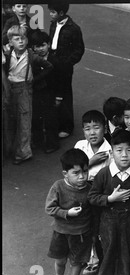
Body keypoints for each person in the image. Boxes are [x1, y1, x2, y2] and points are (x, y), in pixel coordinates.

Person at [87, 130, 130, 275]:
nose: (124, 155)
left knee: (125, 256)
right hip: (108, 222)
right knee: (108, 255)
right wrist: (110, 198)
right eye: (119, 150)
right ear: (111, 152)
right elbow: (92, 197)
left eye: (129, 150)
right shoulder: (104, 174)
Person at [45, 148, 93, 275]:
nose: (82, 177)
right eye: (76, 173)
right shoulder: (58, 186)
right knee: (60, 260)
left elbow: (93, 212)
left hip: (80, 233)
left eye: (85, 171)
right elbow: (50, 208)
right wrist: (66, 213)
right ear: (65, 174)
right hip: (60, 231)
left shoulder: (90, 189)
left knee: (77, 261)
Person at [3, 25, 53, 165]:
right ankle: (9, 149)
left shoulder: (32, 56)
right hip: (8, 89)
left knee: (24, 120)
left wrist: (35, 79)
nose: (21, 41)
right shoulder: (7, 55)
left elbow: (49, 67)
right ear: (10, 42)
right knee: (9, 120)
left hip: (24, 89)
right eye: (17, 39)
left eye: (23, 38)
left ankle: (23, 152)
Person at [74, 110, 112, 275]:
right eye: (87, 128)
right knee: (84, 227)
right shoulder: (80, 146)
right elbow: (73, 171)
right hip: (80, 192)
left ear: (105, 128)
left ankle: (99, 260)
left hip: (99, 193)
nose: (92, 132)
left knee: (98, 228)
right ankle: (91, 259)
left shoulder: (109, 150)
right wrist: (90, 162)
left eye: (96, 127)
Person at [48, 2, 85, 139]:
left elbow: (79, 50)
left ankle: (67, 127)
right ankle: (55, 123)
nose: (50, 14)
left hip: (64, 67)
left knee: (64, 94)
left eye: (53, 12)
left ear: (61, 13)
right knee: (53, 92)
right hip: (52, 63)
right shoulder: (53, 24)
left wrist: (67, 63)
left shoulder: (74, 28)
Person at [29, 29, 60, 154]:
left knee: (50, 119)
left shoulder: (55, 61)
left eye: (43, 45)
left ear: (48, 44)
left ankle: (52, 143)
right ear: (33, 48)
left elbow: (61, 81)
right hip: (36, 93)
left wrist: (59, 97)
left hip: (50, 94)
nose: (41, 49)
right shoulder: (33, 60)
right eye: (37, 46)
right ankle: (37, 140)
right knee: (36, 118)